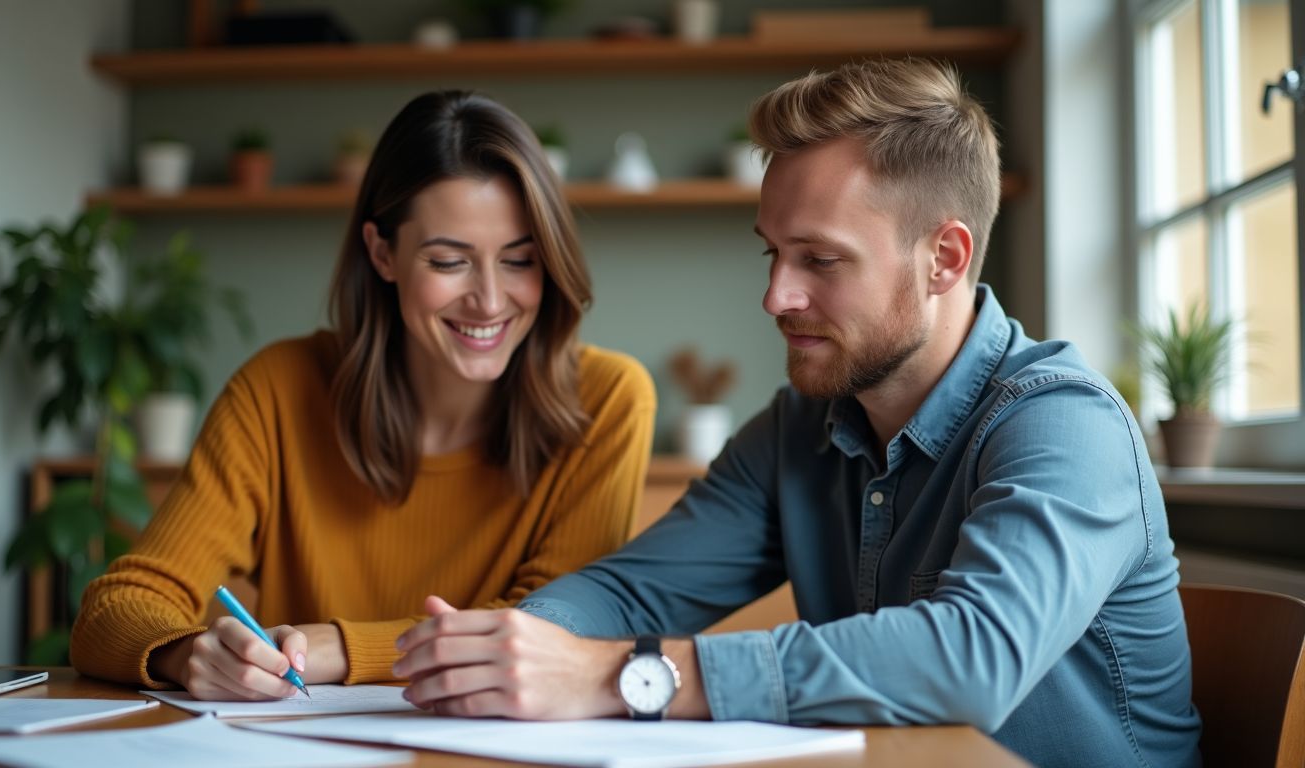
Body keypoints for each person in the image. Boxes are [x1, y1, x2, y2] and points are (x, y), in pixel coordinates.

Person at [392, 60, 1202, 766]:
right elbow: (634, 595)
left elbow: (971, 661)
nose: (776, 296)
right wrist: (514, 648)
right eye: (772, 253)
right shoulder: (796, 431)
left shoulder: (1064, 425)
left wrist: (619, 677)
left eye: (820, 260)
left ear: (944, 258)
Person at [70, 91, 656, 701]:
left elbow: (554, 629)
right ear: (383, 253)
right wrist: (184, 653)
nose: (489, 299)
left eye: (519, 260)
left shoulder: (609, 400)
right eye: (449, 261)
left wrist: (339, 648)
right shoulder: (277, 390)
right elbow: (117, 610)